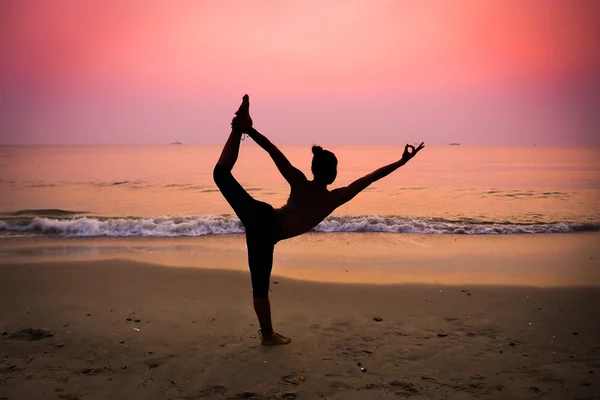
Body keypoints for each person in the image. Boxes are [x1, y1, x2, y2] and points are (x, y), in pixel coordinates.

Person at [213, 95, 425, 345]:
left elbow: (273, 151)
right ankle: (268, 336)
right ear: (333, 173)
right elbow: (371, 178)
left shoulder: (300, 181)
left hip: (261, 219)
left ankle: (240, 128)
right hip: (265, 229)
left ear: (314, 168)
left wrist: (250, 130)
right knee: (259, 289)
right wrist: (402, 162)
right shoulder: (334, 198)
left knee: (221, 174)